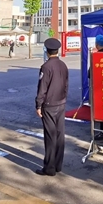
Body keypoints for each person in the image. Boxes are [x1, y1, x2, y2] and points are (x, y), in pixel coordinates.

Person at [35, 38, 68, 176]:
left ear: (47, 51)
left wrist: (38, 105)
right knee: (60, 135)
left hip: (49, 105)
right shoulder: (63, 65)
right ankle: (58, 165)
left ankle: (49, 168)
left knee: (50, 136)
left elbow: (42, 88)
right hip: (61, 103)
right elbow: (66, 85)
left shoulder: (46, 67)